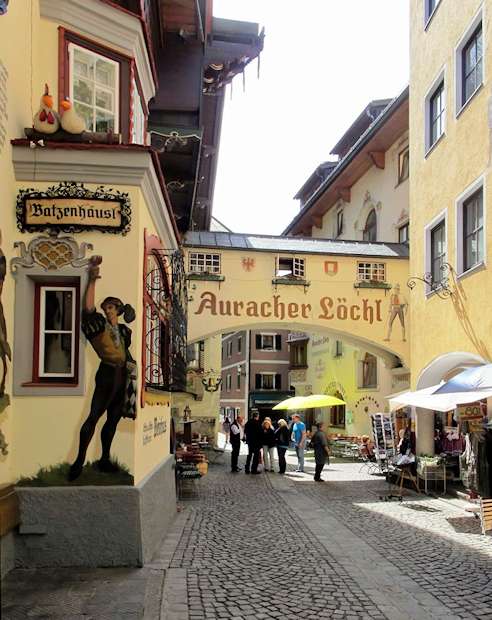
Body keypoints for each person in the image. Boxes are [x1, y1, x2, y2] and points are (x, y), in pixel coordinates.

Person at [69, 256, 137, 481]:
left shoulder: (125, 331)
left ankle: (105, 457)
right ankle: (79, 460)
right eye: (106, 307)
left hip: (122, 374)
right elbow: (87, 308)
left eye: (111, 307)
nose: (108, 311)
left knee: (114, 418)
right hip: (107, 372)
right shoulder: (98, 324)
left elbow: (125, 352)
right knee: (94, 415)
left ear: (118, 310)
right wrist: (93, 276)